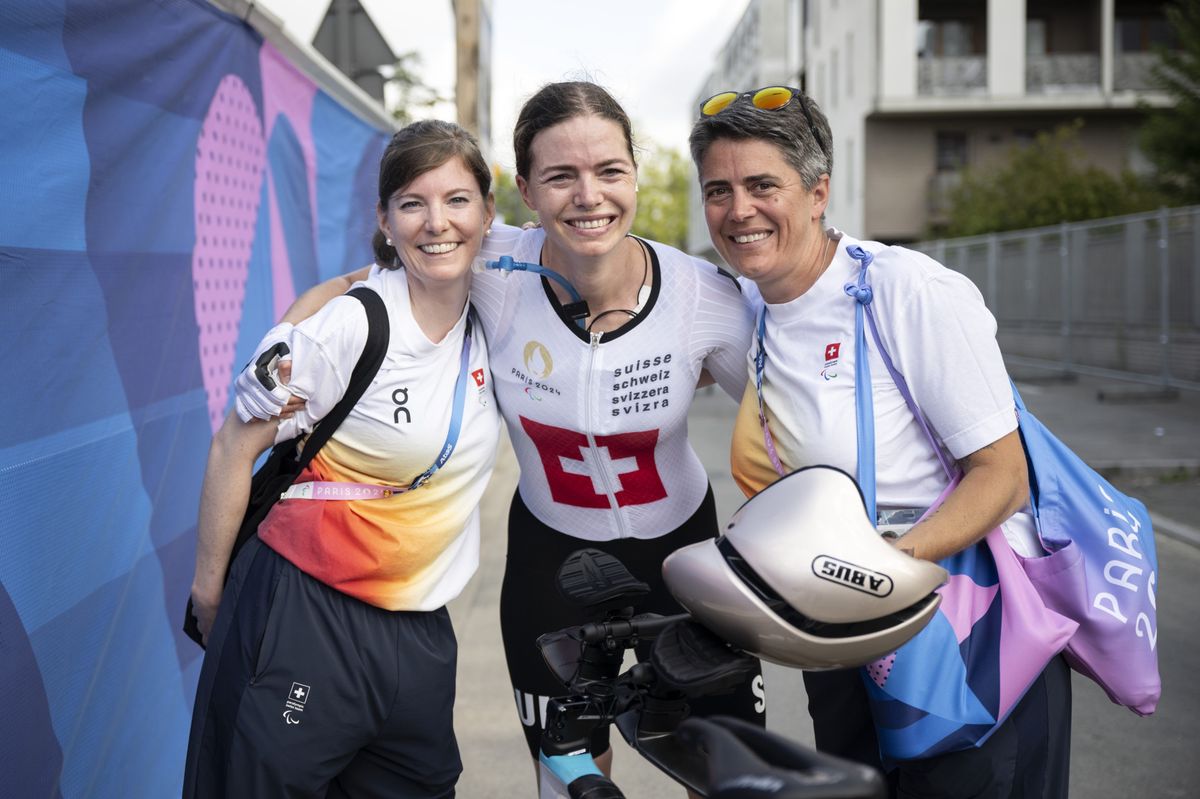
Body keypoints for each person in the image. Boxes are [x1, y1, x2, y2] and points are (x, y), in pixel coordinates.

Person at [234, 81, 764, 791]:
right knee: (570, 773)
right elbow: (354, 285)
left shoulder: (705, 297)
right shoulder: (489, 264)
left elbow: (785, 428)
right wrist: (282, 345)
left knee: (731, 769)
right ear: (523, 192)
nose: (589, 196)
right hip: (555, 564)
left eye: (609, 171)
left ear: (635, 174)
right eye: (560, 177)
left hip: (685, 553)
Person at [688, 87, 1071, 797]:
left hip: (963, 630)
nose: (739, 209)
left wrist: (885, 568)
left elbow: (1002, 474)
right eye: (719, 189)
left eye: (762, 184)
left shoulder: (909, 291)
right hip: (839, 634)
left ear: (817, 192)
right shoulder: (748, 310)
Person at [183, 120, 500, 798]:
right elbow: (231, 448)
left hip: (420, 630)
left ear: (489, 212)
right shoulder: (353, 326)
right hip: (306, 607)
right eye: (412, 203)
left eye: (457, 199)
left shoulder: (498, 305)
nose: (436, 222)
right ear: (385, 219)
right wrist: (210, 594)